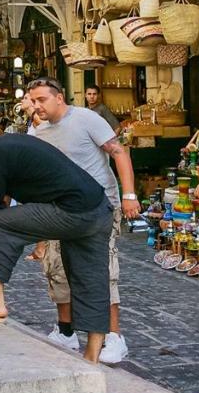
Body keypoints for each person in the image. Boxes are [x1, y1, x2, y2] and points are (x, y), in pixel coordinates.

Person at [0, 125, 113, 363]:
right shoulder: (5, 146)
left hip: (72, 213)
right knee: (91, 278)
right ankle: (92, 355)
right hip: (99, 210)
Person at [26, 78, 138, 363]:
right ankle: (66, 331)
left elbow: (118, 152)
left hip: (99, 206)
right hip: (59, 208)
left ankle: (114, 336)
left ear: (59, 97)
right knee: (57, 268)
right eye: (33, 100)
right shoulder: (38, 134)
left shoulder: (86, 118)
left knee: (102, 269)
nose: (37, 106)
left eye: (42, 100)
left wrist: (129, 195)